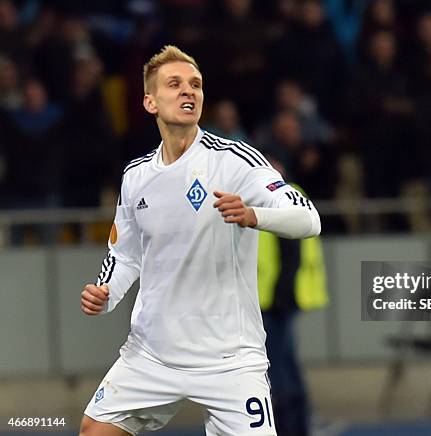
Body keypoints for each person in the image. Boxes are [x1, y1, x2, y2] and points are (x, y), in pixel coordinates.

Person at [78, 45, 321, 436]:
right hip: (152, 353)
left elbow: (309, 219)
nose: (188, 91)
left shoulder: (235, 161)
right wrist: (106, 294)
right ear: (150, 101)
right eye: (174, 84)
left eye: (196, 85)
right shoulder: (136, 176)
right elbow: (125, 255)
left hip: (228, 359)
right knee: (94, 431)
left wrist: (254, 215)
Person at [257, 158, 328, 436]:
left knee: (278, 366)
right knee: (285, 362)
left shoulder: (280, 196)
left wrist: (281, 294)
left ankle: (289, 426)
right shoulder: (285, 194)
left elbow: (290, 253)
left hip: (275, 298)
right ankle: (299, 424)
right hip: (274, 296)